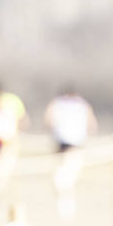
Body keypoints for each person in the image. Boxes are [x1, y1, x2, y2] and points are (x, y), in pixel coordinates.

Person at [45, 86, 98, 217]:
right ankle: (66, 203)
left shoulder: (57, 103)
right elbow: (92, 124)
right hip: (75, 143)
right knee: (69, 173)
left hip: (62, 142)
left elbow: (48, 120)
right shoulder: (82, 104)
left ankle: (65, 202)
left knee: (64, 172)